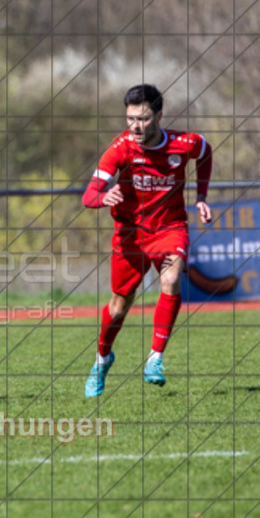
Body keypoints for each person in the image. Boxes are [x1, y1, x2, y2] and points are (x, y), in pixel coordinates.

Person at [81, 84, 213, 397]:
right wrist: (103, 197)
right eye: (130, 119)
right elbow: (88, 194)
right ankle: (101, 360)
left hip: (170, 228)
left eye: (142, 119)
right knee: (118, 307)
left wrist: (202, 196)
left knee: (170, 279)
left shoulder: (183, 143)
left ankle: (155, 359)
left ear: (159, 116)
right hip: (129, 235)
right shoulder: (121, 148)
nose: (135, 126)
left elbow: (206, 151)